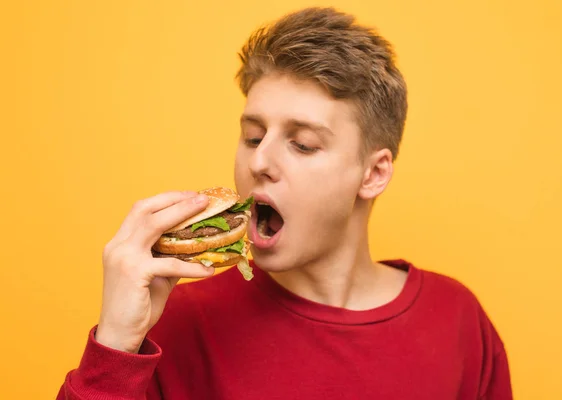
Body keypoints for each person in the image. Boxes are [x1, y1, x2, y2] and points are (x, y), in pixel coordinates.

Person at [57, 7, 512, 400]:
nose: (260, 160)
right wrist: (115, 345)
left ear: (373, 174)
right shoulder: (173, 324)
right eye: (253, 136)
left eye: (303, 144)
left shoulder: (458, 321)